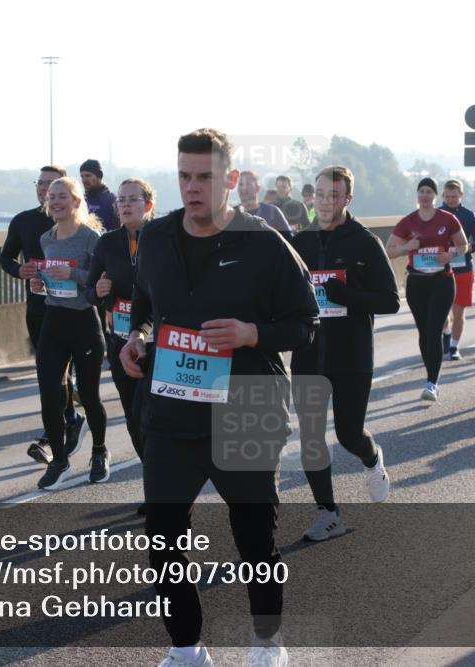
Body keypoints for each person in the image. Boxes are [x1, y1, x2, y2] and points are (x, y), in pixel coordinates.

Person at [119, 128, 318, 667]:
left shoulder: (265, 243)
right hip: (172, 410)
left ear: (229, 179)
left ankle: (268, 643)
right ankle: (187, 649)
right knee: (163, 536)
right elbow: (144, 305)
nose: (193, 187)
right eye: (184, 176)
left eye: (204, 177)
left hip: (246, 409)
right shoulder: (156, 237)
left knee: (254, 538)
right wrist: (136, 338)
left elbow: (306, 323)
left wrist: (252, 334)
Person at [291, 165, 398, 541]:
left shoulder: (364, 242)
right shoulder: (300, 242)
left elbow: (390, 300)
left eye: (334, 195)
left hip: (352, 355)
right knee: (311, 437)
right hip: (308, 355)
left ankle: (372, 458)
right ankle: (328, 513)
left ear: (347, 199)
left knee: (349, 434)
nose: (325, 202)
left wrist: (347, 296)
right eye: (320, 194)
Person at [0, 165, 83, 465]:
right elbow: (6, 257)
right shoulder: (24, 221)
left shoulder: (77, 225)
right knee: (50, 370)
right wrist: (18, 270)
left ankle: (57, 431)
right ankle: (69, 419)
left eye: (51, 184)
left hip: (70, 308)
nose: (43, 188)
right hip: (37, 308)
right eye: (40, 183)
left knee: (56, 370)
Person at [30, 177, 107, 490]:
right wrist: (40, 283)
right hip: (53, 321)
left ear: (76, 201)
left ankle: (99, 451)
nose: (56, 202)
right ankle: (59, 460)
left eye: (62, 196)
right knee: (49, 394)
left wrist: (72, 273)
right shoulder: (46, 238)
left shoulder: (91, 238)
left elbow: (101, 281)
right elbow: (51, 281)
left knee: (88, 395)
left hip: (84, 323)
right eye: (52, 197)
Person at [85, 177, 156, 485]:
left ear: (148, 205)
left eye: (133, 199)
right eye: (121, 200)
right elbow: (90, 291)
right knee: (133, 415)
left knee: (156, 415)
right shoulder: (107, 243)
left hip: (159, 343)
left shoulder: (162, 238)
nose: (125, 205)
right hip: (121, 342)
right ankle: (153, 479)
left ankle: (168, 484)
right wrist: (98, 290)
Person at [386, 177, 468, 401]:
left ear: (435, 195)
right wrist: (407, 247)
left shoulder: (447, 219)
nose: (424, 195)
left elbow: (463, 245)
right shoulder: (408, 221)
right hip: (416, 283)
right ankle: (431, 375)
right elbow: (389, 251)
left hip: (442, 281)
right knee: (424, 332)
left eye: (429, 191)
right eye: (421, 191)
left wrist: (450, 254)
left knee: (433, 331)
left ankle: (432, 383)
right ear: (417, 195)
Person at [438, 179, 475, 359]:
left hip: (463, 269)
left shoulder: (468, 215)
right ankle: (446, 332)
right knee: (441, 310)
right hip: (440, 269)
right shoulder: (437, 214)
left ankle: (454, 347)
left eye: (454, 196)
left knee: (458, 311)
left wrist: (465, 249)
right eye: (447, 196)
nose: (450, 200)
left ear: (461, 195)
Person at [236, 171, 293, 235]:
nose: (244, 188)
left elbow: (289, 237)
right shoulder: (232, 214)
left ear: (257, 188)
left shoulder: (273, 211)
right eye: (240, 184)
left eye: (248, 184)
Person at [80, 159, 120, 232]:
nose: (84, 180)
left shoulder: (112, 200)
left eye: (88, 175)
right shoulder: (80, 201)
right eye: (82, 176)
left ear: (99, 176)